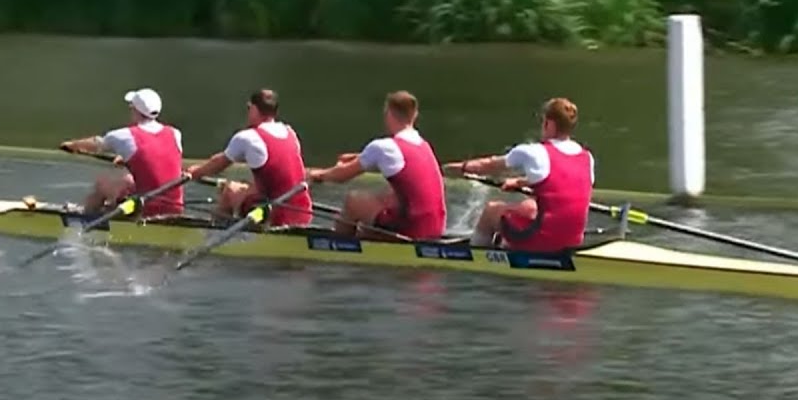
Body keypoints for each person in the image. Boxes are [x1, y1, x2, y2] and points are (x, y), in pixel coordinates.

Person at [444, 98, 594, 251]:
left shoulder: (535, 151)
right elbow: (562, 181)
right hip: (574, 239)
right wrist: (519, 182)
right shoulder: (587, 157)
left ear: (549, 124)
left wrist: (462, 167)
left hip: (542, 239)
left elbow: (490, 165)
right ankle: (507, 243)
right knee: (528, 206)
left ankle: (475, 256)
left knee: (492, 210)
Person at [307, 91, 446, 240]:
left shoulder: (383, 147)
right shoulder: (423, 145)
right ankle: (368, 238)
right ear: (415, 115)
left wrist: (315, 174)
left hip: (412, 228)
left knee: (353, 200)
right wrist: (359, 157)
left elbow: (340, 176)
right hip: (436, 226)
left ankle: (334, 247)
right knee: (385, 196)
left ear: (388, 114)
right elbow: (389, 160)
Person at [186, 89, 313, 227]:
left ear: (254, 109)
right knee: (243, 187)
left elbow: (219, 163)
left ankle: (215, 233)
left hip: (275, 215)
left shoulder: (248, 137)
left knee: (229, 190)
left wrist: (194, 173)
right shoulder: (290, 132)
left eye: (248, 108)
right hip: (304, 212)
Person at [59, 88, 184, 217]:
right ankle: (110, 209)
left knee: (102, 183)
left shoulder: (125, 135)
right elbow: (156, 157)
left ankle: (83, 218)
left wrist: (72, 145)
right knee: (127, 180)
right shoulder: (175, 133)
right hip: (176, 208)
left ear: (135, 110)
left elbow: (96, 144)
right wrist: (126, 159)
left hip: (147, 209)